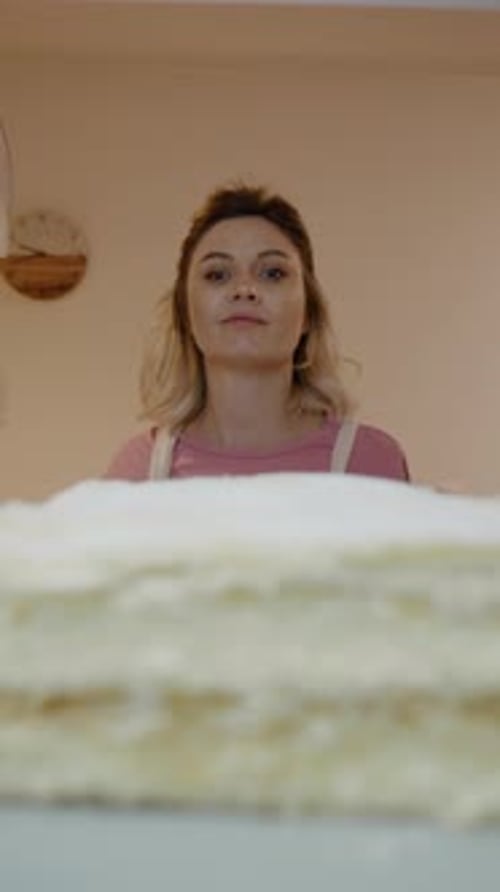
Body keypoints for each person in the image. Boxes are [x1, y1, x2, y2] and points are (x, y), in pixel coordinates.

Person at [105, 184, 410, 482]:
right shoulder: (136, 470)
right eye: (217, 275)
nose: (244, 290)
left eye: (273, 273)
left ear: (309, 314)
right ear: (185, 313)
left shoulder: (371, 462)